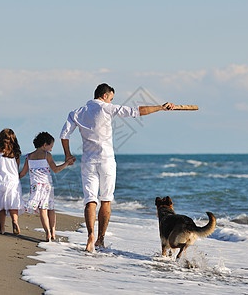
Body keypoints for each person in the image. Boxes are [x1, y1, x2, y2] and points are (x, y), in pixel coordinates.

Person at [60, 83, 175, 252]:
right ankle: (100, 239)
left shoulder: (77, 112)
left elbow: (64, 134)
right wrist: (160, 107)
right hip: (106, 160)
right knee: (105, 200)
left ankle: (90, 235)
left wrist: (67, 155)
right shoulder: (107, 108)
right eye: (111, 98)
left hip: (88, 161)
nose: (111, 101)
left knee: (90, 201)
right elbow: (137, 111)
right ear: (105, 96)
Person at [19, 132, 74, 241]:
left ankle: (47, 233)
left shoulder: (28, 157)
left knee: (42, 210)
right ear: (45, 144)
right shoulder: (46, 155)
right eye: (50, 147)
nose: (51, 149)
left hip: (35, 187)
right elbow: (56, 169)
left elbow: (22, 173)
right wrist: (67, 163)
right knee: (51, 209)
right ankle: (53, 232)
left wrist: (12, 178)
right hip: (47, 187)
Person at [0, 128, 25, 235]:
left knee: (1, 207)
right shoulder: (16, 152)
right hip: (13, 181)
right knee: (13, 204)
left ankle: (2, 229)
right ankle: (14, 221)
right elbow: (16, 168)